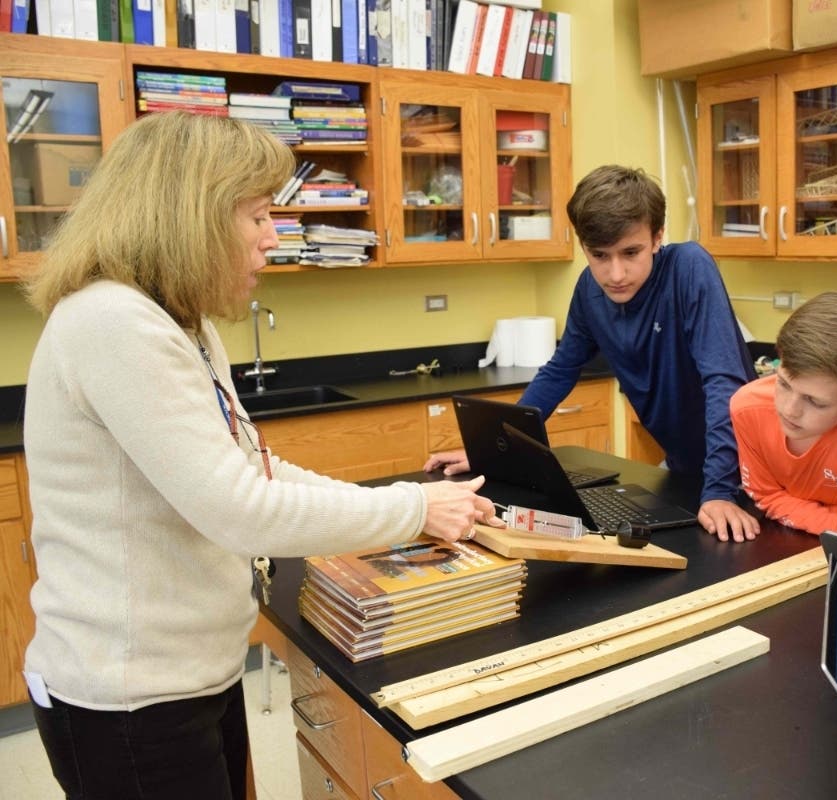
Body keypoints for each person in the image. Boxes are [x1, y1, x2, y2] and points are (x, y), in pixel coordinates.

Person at [20, 111, 503, 800]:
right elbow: (242, 510)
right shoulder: (112, 323)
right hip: (128, 697)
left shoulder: (179, 324)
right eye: (257, 215)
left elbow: (254, 467)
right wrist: (412, 507)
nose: (273, 236)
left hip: (192, 672)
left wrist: (406, 508)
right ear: (190, 218)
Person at [424, 165, 761, 542]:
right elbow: (560, 369)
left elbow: (723, 383)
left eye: (630, 252)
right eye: (599, 255)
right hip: (686, 470)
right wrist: (491, 453)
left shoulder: (689, 268)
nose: (615, 273)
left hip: (747, 474)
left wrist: (719, 489)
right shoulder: (589, 290)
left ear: (657, 237)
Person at [730, 291, 837, 535]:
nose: (789, 410)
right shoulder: (746, 408)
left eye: (815, 402)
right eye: (784, 384)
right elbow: (766, 495)